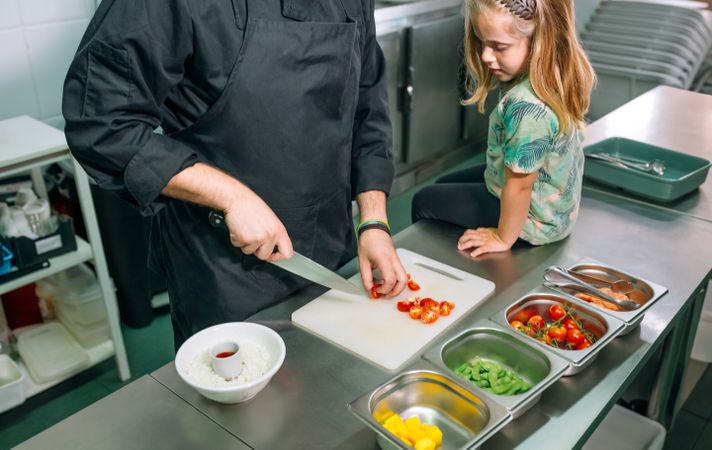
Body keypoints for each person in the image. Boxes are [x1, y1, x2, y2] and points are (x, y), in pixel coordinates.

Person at [62, 0, 407, 348]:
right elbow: (101, 124)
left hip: (330, 244)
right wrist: (232, 197)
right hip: (223, 266)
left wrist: (373, 222)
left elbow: (368, 107)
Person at [412, 0, 595, 257]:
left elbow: (520, 187)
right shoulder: (547, 77)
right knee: (444, 183)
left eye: (499, 47)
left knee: (424, 201)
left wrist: (502, 237)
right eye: (482, 42)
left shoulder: (528, 108)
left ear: (539, 42)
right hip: (554, 208)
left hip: (537, 220)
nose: (486, 55)